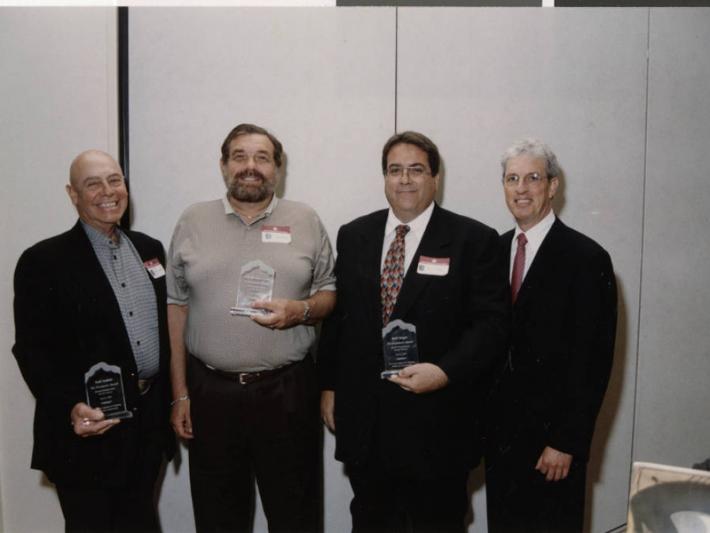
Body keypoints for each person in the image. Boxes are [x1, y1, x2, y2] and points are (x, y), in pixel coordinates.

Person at [318, 131, 509, 532]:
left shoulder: (473, 240)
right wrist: (329, 386)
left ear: (435, 178)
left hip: (437, 422)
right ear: (385, 177)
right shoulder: (354, 235)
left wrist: (445, 371)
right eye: (395, 170)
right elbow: (339, 319)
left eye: (416, 170)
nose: (405, 180)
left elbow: (491, 326)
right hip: (367, 424)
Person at [167, 123, 336, 532]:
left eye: (262, 157)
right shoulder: (193, 220)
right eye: (240, 156)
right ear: (224, 166)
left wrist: (300, 311)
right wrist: (179, 395)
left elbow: (330, 292)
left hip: (288, 391)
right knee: (217, 516)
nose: (251, 166)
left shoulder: (305, 219)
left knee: (295, 515)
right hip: (211, 392)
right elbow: (176, 307)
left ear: (277, 168)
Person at [12, 150, 175, 532]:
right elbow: (31, 351)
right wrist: (70, 406)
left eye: (115, 180)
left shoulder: (150, 249)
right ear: (73, 194)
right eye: (93, 184)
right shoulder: (43, 260)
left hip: (145, 426)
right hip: (87, 430)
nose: (108, 192)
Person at [485, 138, 618, 532]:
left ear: (553, 186)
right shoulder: (492, 252)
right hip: (500, 442)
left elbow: (594, 360)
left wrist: (568, 441)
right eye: (512, 179)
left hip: (553, 447)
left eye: (533, 178)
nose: (521, 189)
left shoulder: (586, 258)